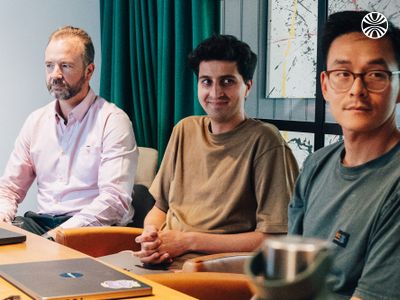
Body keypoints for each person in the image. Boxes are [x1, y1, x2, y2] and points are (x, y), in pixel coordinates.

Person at [133, 35, 299, 269]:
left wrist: (187, 242)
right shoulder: (185, 129)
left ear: (247, 86)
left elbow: (274, 239)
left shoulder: (265, 141)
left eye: (227, 81)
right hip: (163, 260)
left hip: (214, 269)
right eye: (206, 81)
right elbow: (160, 209)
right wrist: (151, 237)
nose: (215, 92)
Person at [288, 11, 400, 300]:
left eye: (376, 75)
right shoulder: (316, 165)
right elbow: (290, 276)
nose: (357, 90)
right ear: (325, 85)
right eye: (343, 74)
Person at [0, 26, 138, 239]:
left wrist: (60, 235)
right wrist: (3, 220)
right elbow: (9, 188)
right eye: (49, 66)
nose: (55, 75)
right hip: (42, 223)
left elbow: (114, 201)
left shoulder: (112, 121)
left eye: (65, 66)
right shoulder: (36, 121)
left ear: (89, 71)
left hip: (93, 228)